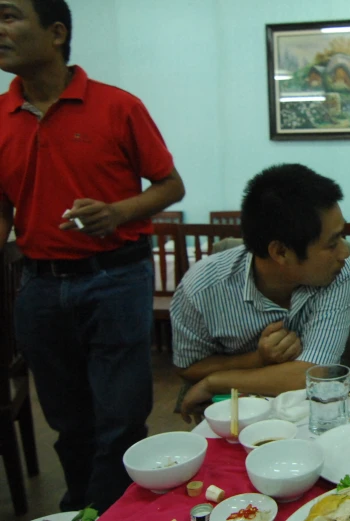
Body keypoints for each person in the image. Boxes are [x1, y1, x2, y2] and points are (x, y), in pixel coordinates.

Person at [0, 0, 186, 512]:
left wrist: (117, 212)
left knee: (121, 417)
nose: (0, 30)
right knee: (65, 420)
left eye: (9, 16)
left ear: (56, 32)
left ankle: (112, 507)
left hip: (115, 276)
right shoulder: (0, 116)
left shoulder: (117, 106)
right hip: (36, 285)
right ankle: (83, 500)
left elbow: (170, 185)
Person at [172, 164, 350, 419]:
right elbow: (188, 367)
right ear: (281, 252)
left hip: (311, 415)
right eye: (332, 243)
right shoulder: (202, 287)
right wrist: (257, 359)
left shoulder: (340, 273)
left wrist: (215, 382)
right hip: (236, 415)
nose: (345, 253)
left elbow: (313, 373)